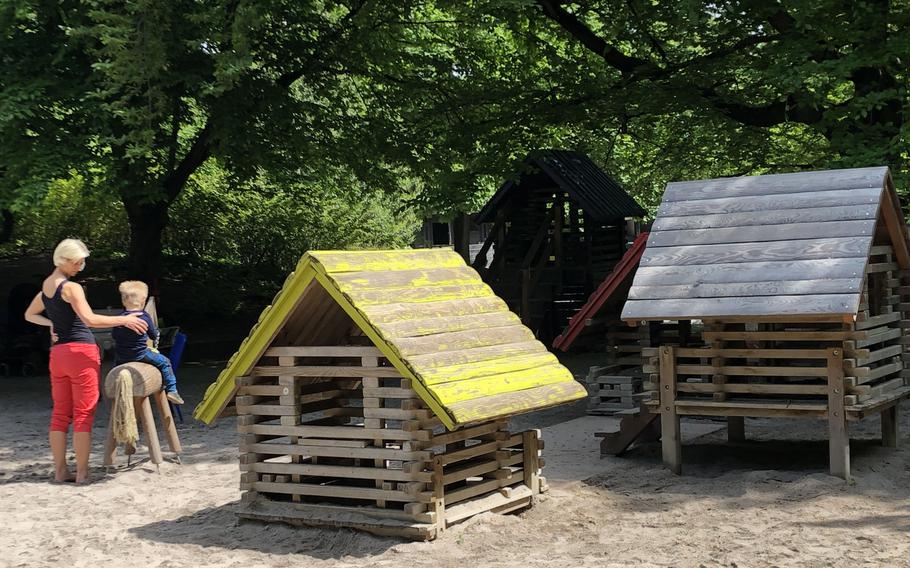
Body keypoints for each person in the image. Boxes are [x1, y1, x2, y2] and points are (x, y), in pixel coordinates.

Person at [24, 239, 148, 484]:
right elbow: (89, 320)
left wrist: (52, 325)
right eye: (78, 262)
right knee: (83, 413)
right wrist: (123, 320)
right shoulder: (71, 288)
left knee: (60, 413)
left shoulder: (46, 287)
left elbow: (29, 314)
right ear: (66, 260)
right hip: (81, 353)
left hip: (58, 355)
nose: (81, 267)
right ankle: (82, 474)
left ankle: (60, 471)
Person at [111, 280, 184, 405]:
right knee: (165, 363)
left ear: (123, 301)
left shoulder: (121, 318)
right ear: (143, 301)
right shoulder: (144, 317)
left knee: (116, 365)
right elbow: (153, 335)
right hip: (140, 354)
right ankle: (172, 390)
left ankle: (116, 386)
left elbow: (115, 336)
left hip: (122, 356)